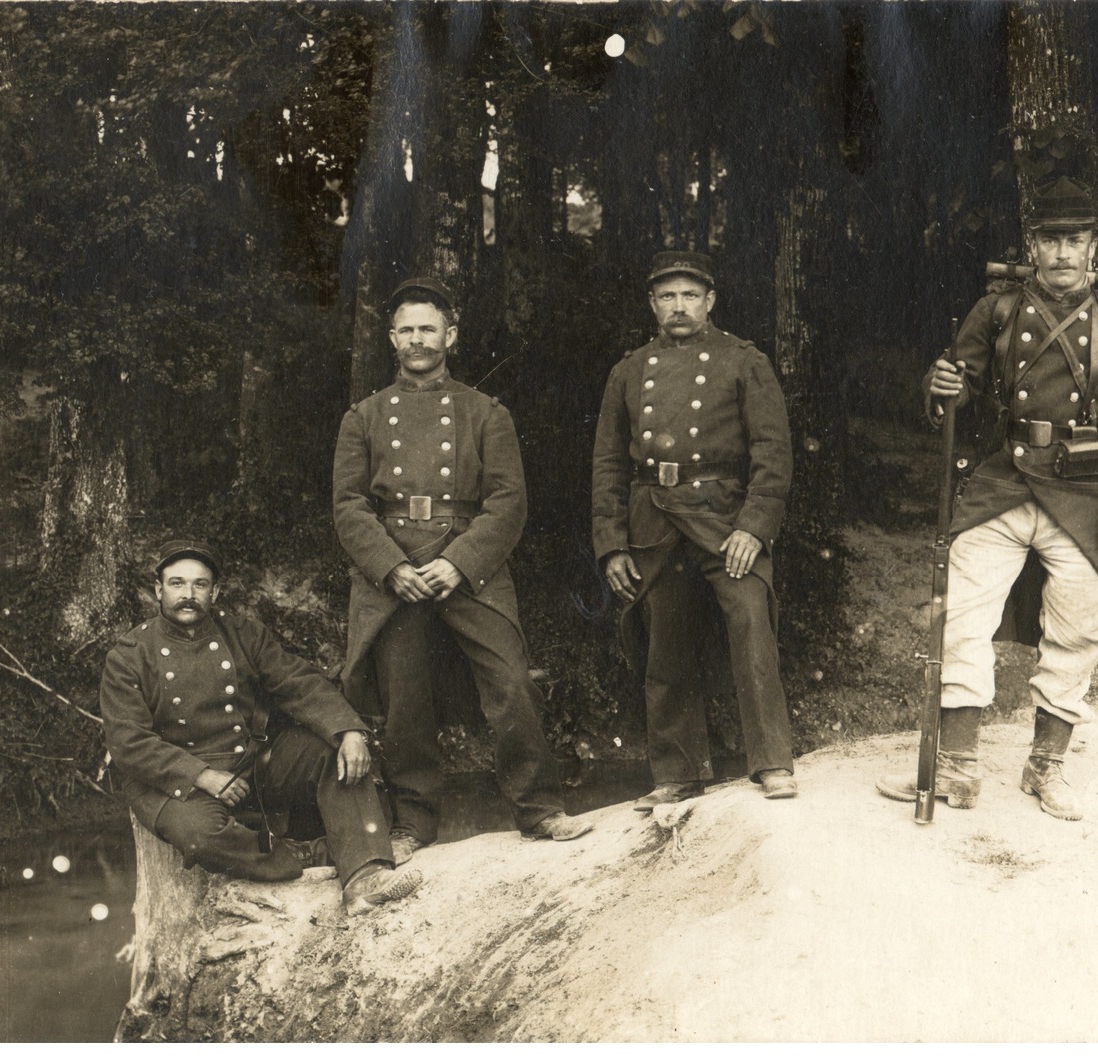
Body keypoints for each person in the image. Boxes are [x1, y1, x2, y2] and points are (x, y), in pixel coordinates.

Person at [875, 177, 1098, 820]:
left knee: (1082, 622)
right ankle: (957, 767)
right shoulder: (995, 310)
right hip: (1002, 485)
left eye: (1075, 240)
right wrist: (940, 384)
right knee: (962, 613)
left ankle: (1046, 768)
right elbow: (957, 385)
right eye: (1051, 239)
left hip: (1083, 495)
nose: (1062, 252)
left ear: (1092, 248)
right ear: (1033, 245)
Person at [333, 277, 589, 862]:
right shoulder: (363, 417)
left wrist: (459, 561)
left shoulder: (485, 413)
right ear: (391, 338)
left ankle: (540, 808)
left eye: (429, 328)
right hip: (395, 563)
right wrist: (390, 566)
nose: (418, 340)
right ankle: (413, 823)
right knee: (404, 696)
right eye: (407, 329)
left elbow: (508, 502)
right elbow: (348, 506)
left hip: (466, 558)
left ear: (451, 335)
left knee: (511, 680)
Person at [100, 539, 421, 912]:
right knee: (199, 835)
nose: (188, 594)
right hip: (175, 780)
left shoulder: (242, 634)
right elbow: (128, 741)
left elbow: (299, 682)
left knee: (333, 753)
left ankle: (366, 877)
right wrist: (201, 775)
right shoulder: (129, 655)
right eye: (177, 583)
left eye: (200, 584)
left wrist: (348, 730)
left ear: (215, 591)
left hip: (247, 762)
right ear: (158, 589)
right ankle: (303, 855)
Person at [592, 251, 798, 809]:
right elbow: (609, 464)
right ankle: (678, 772)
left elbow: (773, 453)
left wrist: (754, 528)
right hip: (653, 518)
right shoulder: (629, 371)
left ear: (710, 302)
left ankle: (773, 761)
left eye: (689, 295)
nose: (678, 306)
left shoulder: (744, 361)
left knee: (751, 619)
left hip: (724, 517)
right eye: (667, 296)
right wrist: (611, 544)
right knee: (664, 640)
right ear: (652, 305)